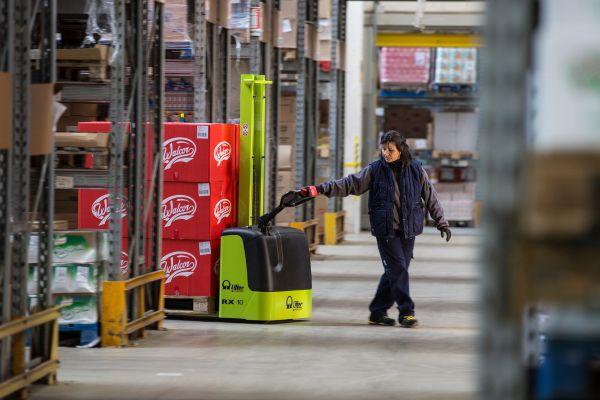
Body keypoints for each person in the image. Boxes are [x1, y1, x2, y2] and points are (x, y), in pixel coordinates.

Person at [299, 130, 451, 328]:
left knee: (395, 271)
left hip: (408, 230)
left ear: (401, 150)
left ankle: (377, 312)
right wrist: (320, 189)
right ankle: (406, 312)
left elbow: (430, 196)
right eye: (383, 149)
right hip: (386, 231)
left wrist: (442, 222)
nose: (386, 153)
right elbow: (349, 184)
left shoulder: (416, 169)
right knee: (398, 269)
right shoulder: (375, 170)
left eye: (390, 150)